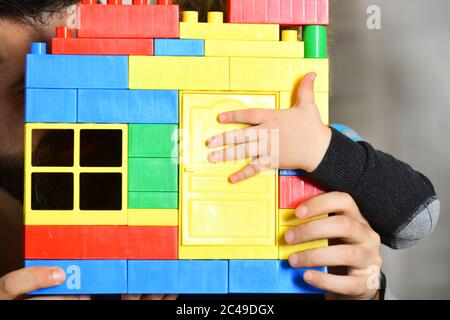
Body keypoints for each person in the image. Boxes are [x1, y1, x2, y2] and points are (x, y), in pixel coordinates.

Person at [0, 0, 437, 300]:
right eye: (28, 85)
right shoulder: (50, 261)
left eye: (92, 57)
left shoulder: (307, 147)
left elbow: (416, 216)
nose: (79, 98)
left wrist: (366, 289)